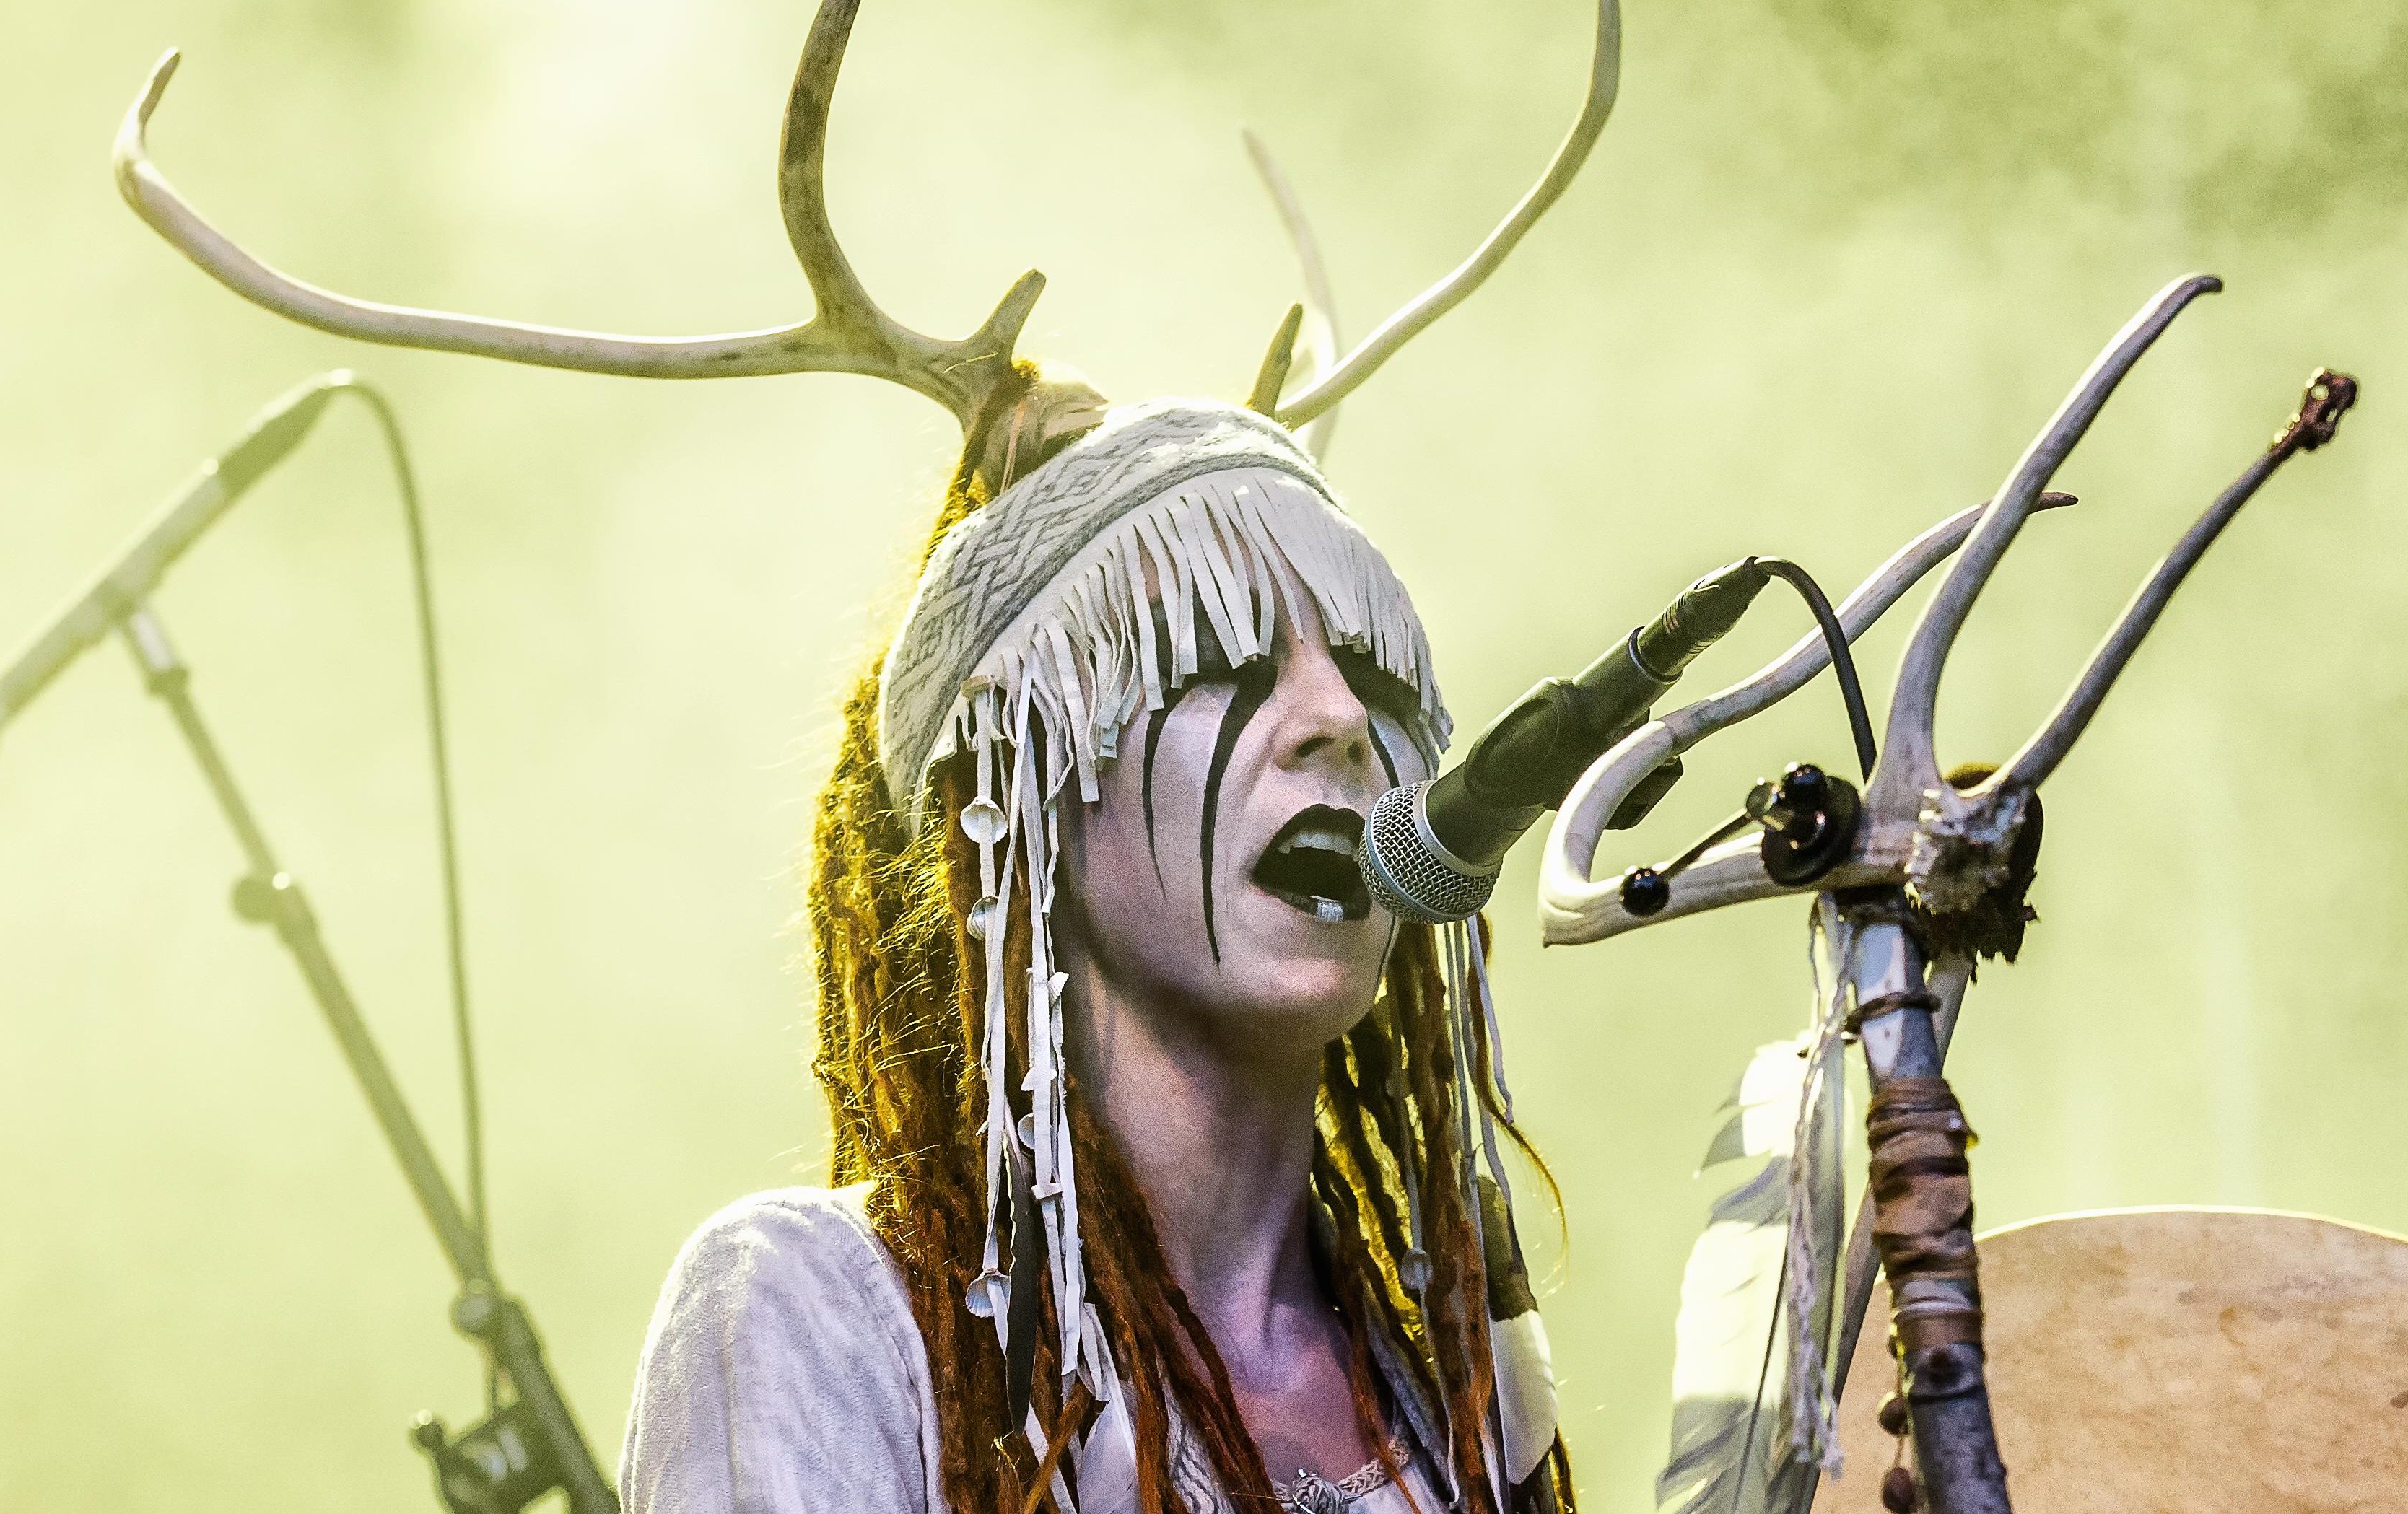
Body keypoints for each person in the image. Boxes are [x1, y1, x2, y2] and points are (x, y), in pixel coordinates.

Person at [104, 2, 1624, 1508]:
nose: (1336, 718)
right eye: (1215, 661)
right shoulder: (820, 1308)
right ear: (1008, 797)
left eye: (1364, 662)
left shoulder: (1441, 1356)